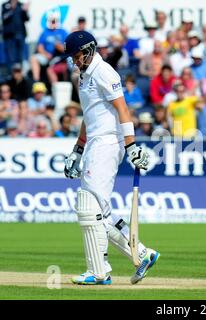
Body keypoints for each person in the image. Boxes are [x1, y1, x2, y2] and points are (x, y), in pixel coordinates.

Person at [62, 31, 160, 285]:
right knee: (100, 213)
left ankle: (98, 271)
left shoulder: (104, 72)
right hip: (95, 143)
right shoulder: (84, 76)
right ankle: (142, 253)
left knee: (87, 205)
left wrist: (132, 147)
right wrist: (78, 149)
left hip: (107, 143)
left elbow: (122, 109)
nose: (74, 60)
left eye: (77, 55)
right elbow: (89, 114)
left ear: (89, 50)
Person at [1, 0, 30, 69]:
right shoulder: (5, 5)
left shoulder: (21, 5)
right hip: (9, 36)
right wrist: (12, 9)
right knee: (11, 57)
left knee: (21, 56)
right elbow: (4, 18)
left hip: (20, 34)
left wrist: (25, 11)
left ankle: (21, 76)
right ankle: (11, 76)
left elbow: (26, 19)